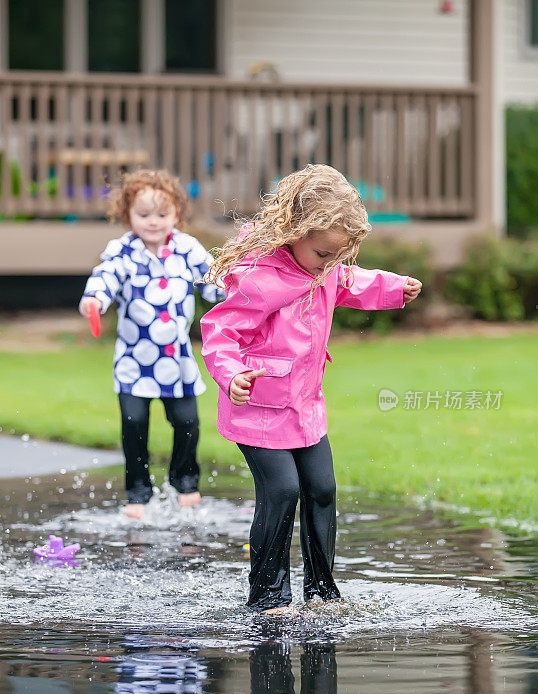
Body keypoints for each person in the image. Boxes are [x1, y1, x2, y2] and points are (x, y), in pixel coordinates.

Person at [200, 163, 422, 614]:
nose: (330, 265)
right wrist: (231, 375)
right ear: (295, 231)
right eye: (323, 254)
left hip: (304, 405)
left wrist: (395, 287)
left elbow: (351, 280)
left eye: (336, 256)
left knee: (321, 488)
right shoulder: (260, 277)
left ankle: (321, 592)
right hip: (257, 406)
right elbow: (220, 331)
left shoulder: (323, 266)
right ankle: (268, 597)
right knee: (282, 490)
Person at [79, 169, 224, 518]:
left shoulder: (187, 249)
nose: (153, 222)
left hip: (177, 362)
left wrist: (237, 290)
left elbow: (212, 283)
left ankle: (185, 482)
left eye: (162, 214)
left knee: (188, 422)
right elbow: (105, 277)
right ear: (127, 214)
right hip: (134, 360)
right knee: (133, 423)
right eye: (143, 214)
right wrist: (95, 300)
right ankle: (138, 492)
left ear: (177, 215)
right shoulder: (123, 251)